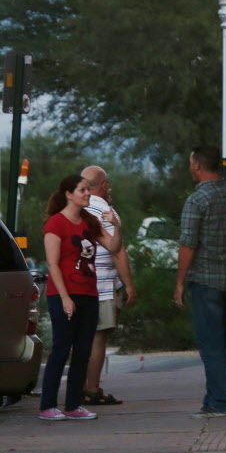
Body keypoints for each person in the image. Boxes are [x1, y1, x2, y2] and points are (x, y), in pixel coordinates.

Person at [174, 146, 226, 419]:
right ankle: (213, 396)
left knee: (210, 343)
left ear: (197, 166)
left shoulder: (197, 201)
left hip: (205, 280)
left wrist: (180, 282)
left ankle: (221, 401)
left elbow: (188, 244)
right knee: (223, 341)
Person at [39, 175, 123, 421]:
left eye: (88, 189)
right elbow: (53, 265)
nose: (88, 194)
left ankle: (74, 404)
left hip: (89, 292)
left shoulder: (90, 221)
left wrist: (117, 226)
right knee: (61, 349)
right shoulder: (56, 224)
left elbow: (114, 247)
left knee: (83, 350)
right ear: (69, 194)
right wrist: (65, 298)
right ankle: (48, 405)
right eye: (83, 190)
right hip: (64, 294)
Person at [80, 165, 137, 406]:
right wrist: (129, 285)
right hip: (101, 285)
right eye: (108, 183)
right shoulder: (103, 210)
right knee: (98, 338)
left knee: (81, 338)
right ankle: (91, 389)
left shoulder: (75, 207)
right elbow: (116, 250)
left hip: (79, 283)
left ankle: (79, 386)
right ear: (102, 185)